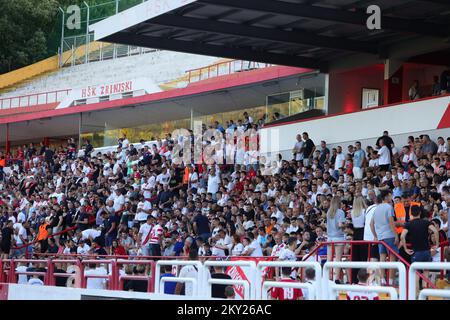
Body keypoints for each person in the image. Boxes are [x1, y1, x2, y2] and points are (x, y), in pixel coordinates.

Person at [326, 196, 346, 282]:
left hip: (330, 237)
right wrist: (347, 224)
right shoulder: (340, 212)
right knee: (338, 258)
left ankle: (327, 277)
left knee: (329, 258)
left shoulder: (328, 212)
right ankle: (336, 278)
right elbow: (340, 225)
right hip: (338, 237)